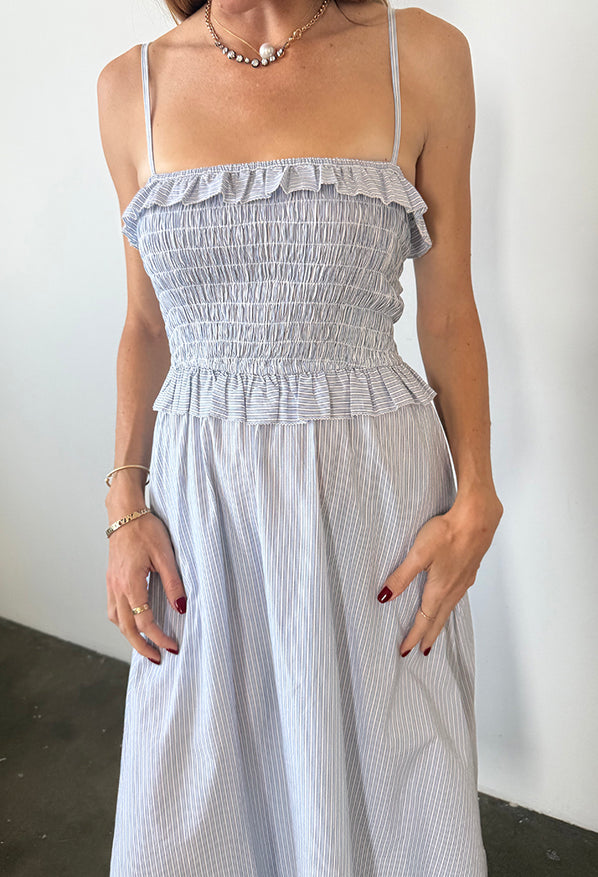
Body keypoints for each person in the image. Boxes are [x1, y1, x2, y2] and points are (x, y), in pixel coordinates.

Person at [97, 0, 503, 874]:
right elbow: (145, 325)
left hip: (376, 496)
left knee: (392, 791)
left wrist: (477, 494)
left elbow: (449, 308)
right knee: (195, 800)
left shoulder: (418, 56)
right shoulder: (132, 85)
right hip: (205, 502)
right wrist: (124, 501)